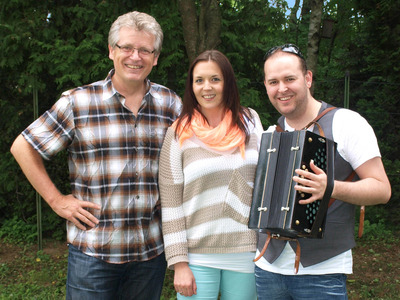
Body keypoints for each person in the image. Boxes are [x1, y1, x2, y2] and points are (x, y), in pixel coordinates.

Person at [10, 11, 182, 300]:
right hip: (93, 252)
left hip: (150, 252)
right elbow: (23, 147)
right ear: (111, 50)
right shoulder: (79, 103)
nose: (135, 57)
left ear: (156, 57)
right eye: (127, 47)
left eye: (144, 50)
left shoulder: (170, 105)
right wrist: (57, 201)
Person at [254, 44, 391, 299]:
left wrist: (331, 188)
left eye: (289, 79)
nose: (281, 88)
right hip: (266, 268)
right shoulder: (269, 134)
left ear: (308, 78)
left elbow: (382, 189)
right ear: (266, 86)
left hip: (323, 272)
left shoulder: (347, 123)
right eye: (273, 82)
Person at [158, 50, 263, 299]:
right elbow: (171, 203)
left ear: (227, 82)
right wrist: (179, 263)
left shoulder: (250, 121)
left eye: (215, 79)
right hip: (197, 256)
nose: (207, 87)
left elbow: (267, 179)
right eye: (199, 80)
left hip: (246, 251)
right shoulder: (178, 133)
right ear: (191, 86)